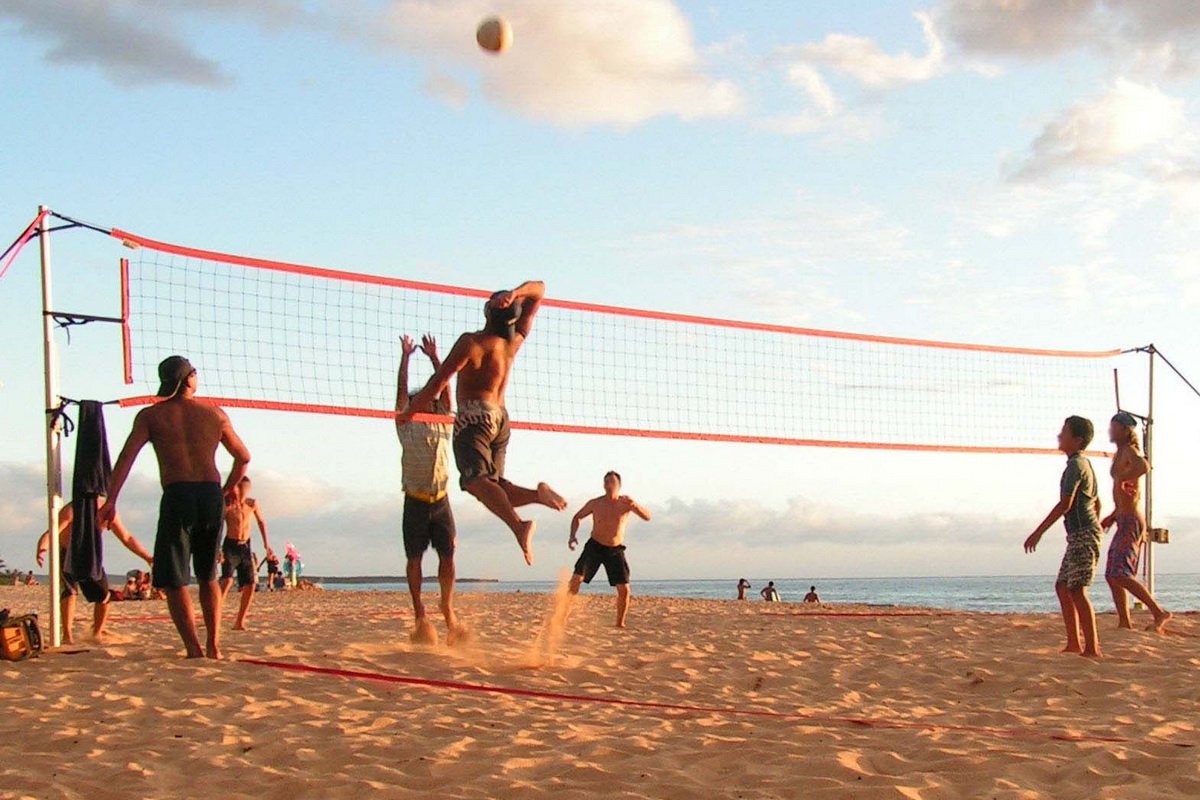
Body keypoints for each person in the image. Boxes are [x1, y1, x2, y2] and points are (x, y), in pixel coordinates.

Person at [397, 281, 567, 566]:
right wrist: (516, 294)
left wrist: (409, 412)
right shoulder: (513, 341)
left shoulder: (472, 342)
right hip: (500, 418)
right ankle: (537, 495)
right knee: (495, 488)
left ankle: (519, 526)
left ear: (488, 312)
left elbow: (437, 384)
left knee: (475, 482)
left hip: (475, 417)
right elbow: (540, 289)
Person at [99, 355, 251, 660]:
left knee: (175, 577)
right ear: (189, 379)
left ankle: (194, 648)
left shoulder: (151, 417)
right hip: (210, 495)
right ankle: (214, 647)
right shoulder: (215, 415)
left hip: (178, 495)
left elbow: (125, 460)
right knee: (208, 574)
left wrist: (111, 499)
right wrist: (228, 487)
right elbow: (244, 457)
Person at [394, 333, 467, 645]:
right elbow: (400, 393)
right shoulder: (405, 422)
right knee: (414, 561)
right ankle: (419, 613)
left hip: (440, 500)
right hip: (414, 500)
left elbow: (446, 391)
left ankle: (446, 607)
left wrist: (437, 358)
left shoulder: (443, 422)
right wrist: (406, 357)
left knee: (448, 556)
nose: (426, 401)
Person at [1023, 416, 1104, 658]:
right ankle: (1073, 643)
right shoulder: (1082, 464)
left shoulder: (1076, 466)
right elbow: (1097, 502)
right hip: (1081, 534)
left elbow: (1066, 504)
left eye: (1064, 432)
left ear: (1077, 440)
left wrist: (1038, 532)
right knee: (1062, 586)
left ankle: (1092, 648)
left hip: (1084, 534)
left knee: (1077, 589)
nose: (1059, 436)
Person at [35, 498, 154, 643]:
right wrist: (43, 547)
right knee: (69, 591)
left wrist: (147, 557)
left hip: (91, 555)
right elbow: (53, 531)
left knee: (104, 596)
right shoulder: (73, 509)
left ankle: (97, 632)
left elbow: (126, 537)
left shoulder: (107, 509)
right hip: (68, 552)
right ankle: (67, 635)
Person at [1102, 413, 1171, 633]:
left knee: (1120, 573)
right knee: (1112, 575)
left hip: (1131, 520)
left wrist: (1123, 478)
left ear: (1124, 430)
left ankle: (1159, 612)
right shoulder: (1120, 453)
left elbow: (1144, 466)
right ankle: (1124, 621)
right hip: (1123, 518)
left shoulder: (1130, 451)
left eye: (1114, 427)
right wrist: (1113, 515)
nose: (1110, 431)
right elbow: (1125, 491)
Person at [567, 471, 651, 629]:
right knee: (576, 579)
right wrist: (572, 536)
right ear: (603, 485)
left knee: (624, 589)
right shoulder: (596, 503)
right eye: (606, 481)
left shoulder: (626, 503)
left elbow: (647, 516)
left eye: (612, 481)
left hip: (615, 550)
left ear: (619, 485)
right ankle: (563, 615)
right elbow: (577, 517)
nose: (609, 483)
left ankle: (620, 623)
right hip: (594, 547)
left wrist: (635, 505)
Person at [219, 476, 273, 631]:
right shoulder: (228, 505)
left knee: (250, 584)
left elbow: (261, 522)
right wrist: (218, 551)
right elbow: (217, 527)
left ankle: (239, 621)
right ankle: (216, 614)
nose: (245, 492)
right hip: (230, 545)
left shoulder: (252, 504)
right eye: (242, 488)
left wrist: (266, 544)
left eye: (247, 489)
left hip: (245, 546)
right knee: (227, 581)